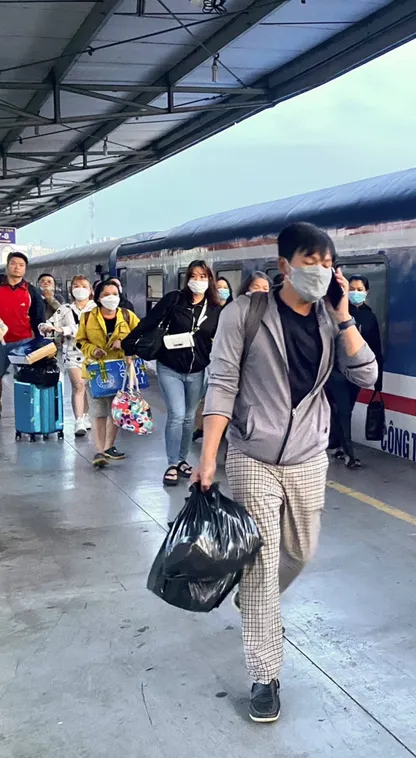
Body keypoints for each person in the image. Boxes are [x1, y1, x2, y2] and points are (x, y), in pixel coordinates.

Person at [193, 221, 377, 723]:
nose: (318, 271)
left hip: (308, 457)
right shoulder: (244, 314)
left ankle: (254, 602)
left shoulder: (328, 319)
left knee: (300, 551)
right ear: (283, 266)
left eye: (326, 263)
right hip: (252, 453)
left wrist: (343, 317)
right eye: (309, 261)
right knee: (260, 559)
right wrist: (209, 456)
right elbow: (223, 384)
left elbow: (367, 375)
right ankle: (265, 675)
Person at [126, 260, 222, 486]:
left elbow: (221, 338)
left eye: (202, 277)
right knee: (177, 414)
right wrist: (130, 344)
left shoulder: (216, 309)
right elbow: (150, 322)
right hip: (170, 366)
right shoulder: (174, 300)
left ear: (210, 280)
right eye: (194, 276)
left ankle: (181, 459)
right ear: (187, 278)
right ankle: (171, 463)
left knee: (189, 418)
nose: (197, 281)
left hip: (198, 369)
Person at [76, 279, 139, 468]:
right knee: (98, 412)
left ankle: (108, 446)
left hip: (121, 371)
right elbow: (80, 341)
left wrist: (125, 344)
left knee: (116, 411)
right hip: (96, 370)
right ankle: (99, 451)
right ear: (98, 297)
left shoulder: (128, 316)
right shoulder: (87, 317)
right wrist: (92, 350)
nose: (111, 298)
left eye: (114, 294)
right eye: (106, 295)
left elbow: (141, 337)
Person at [327, 275, 384, 467]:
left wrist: (378, 382)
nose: (355, 293)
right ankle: (349, 455)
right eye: (352, 288)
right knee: (344, 411)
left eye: (360, 289)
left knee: (347, 410)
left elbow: (375, 348)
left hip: (357, 374)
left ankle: (338, 445)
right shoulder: (339, 313)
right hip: (336, 372)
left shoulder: (370, 317)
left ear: (367, 292)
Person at [39, 275, 96, 437]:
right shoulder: (64, 309)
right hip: (71, 353)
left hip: (93, 354)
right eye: (76, 285)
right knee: (78, 386)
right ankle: (79, 420)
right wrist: (46, 327)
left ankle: (85, 415)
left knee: (88, 388)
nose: (79, 288)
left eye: (83, 285)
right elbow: (49, 322)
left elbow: (88, 330)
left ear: (90, 290)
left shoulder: (97, 309)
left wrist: (63, 330)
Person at [0, 251, 46, 413]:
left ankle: (29, 411)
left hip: (24, 342)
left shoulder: (31, 292)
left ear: (25, 269)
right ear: (7, 266)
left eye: (21, 265)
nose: (17, 268)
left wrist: (40, 343)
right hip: (1, 342)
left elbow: (38, 319)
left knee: (27, 378)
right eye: (13, 264)